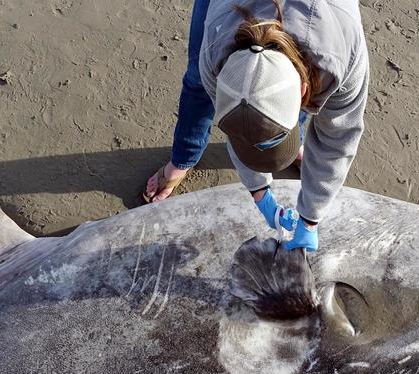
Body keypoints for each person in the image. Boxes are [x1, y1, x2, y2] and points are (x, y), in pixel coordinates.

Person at [142, 0, 369, 252]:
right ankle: (184, 158)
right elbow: (238, 121)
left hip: (324, 30)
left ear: (302, 89)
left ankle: (291, 140)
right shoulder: (217, 45)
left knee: (290, 100)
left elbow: (337, 141)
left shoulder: (341, 56)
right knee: (197, 81)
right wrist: (259, 191)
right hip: (227, 14)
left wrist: (311, 218)